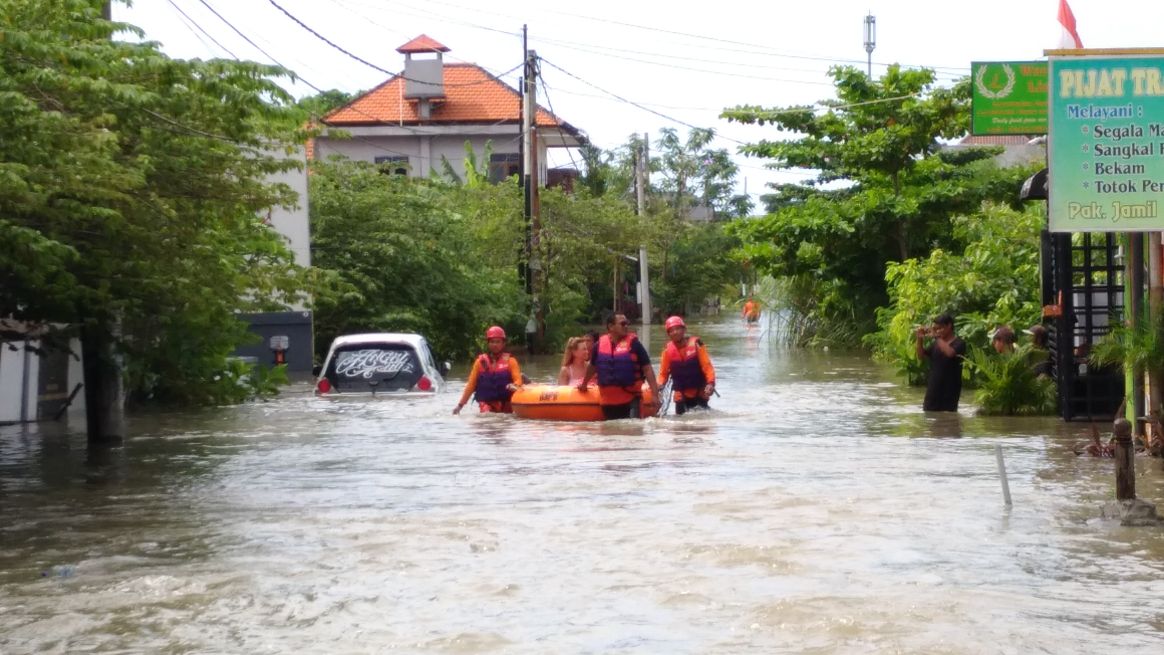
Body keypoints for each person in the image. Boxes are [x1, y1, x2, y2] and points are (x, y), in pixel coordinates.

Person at [578, 313, 661, 420]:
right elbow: (592, 367)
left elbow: (648, 369)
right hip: (608, 403)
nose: (626, 326)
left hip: (631, 400)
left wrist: (654, 395)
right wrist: (584, 384)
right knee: (612, 433)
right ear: (611, 326)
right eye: (622, 324)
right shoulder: (598, 346)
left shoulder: (635, 344)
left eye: (627, 323)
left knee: (632, 431)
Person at [453, 326, 523, 414]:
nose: (495, 345)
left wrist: (515, 386)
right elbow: (470, 385)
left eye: (498, 342)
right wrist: (460, 406)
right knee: (486, 415)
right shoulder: (480, 362)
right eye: (492, 342)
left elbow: (518, 380)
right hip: (486, 404)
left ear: (503, 344)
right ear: (488, 343)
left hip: (506, 404)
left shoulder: (511, 361)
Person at [656, 316, 716, 415]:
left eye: (678, 329)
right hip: (681, 395)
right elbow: (663, 374)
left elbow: (707, 367)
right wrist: (657, 388)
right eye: (671, 330)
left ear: (684, 330)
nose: (675, 332)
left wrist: (711, 383)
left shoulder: (697, 345)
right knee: (680, 427)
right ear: (668, 334)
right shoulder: (667, 351)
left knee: (703, 426)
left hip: (700, 392)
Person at [915, 313, 967, 412]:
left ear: (949, 326)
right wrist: (919, 339)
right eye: (936, 329)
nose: (938, 331)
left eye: (940, 328)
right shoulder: (936, 344)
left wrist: (936, 337)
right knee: (929, 417)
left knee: (948, 419)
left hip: (950, 390)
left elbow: (950, 353)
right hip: (933, 389)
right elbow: (921, 356)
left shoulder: (959, 343)